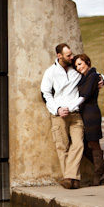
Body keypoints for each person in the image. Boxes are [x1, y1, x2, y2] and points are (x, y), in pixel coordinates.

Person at [40, 43, 85, 189]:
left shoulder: (76, 69)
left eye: (71, 54)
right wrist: (57, 109)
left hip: (76, 114)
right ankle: (72, 180)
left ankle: (69, 177)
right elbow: (45, 93)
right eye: (68, 55)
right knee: (62, 146)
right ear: (59, 56)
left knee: (78, 144)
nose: (72, 57)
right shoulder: (51, 72)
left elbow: (92, 73)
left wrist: (101, 79)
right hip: (59, 115)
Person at [71, 54, 104, 186]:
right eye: (76, 65)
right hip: (83, 113)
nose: (78, 68)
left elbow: (86, 94)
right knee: (82, 144)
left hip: (92, 113)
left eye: (80, 64)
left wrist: (70, 107)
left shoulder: (93, 76)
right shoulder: (84, 77)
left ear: (87, 62)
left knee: (94, 143)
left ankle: (98, 174)